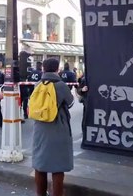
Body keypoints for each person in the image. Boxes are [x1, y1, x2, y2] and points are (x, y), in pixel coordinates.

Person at [32, 58, 74, 196]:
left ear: (43, 69)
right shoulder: (60, 85)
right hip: (58, 128)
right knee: (58, 167)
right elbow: (71, 102)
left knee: (40, 165)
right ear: (57, 69)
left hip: (40, 129)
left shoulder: (38, 84)